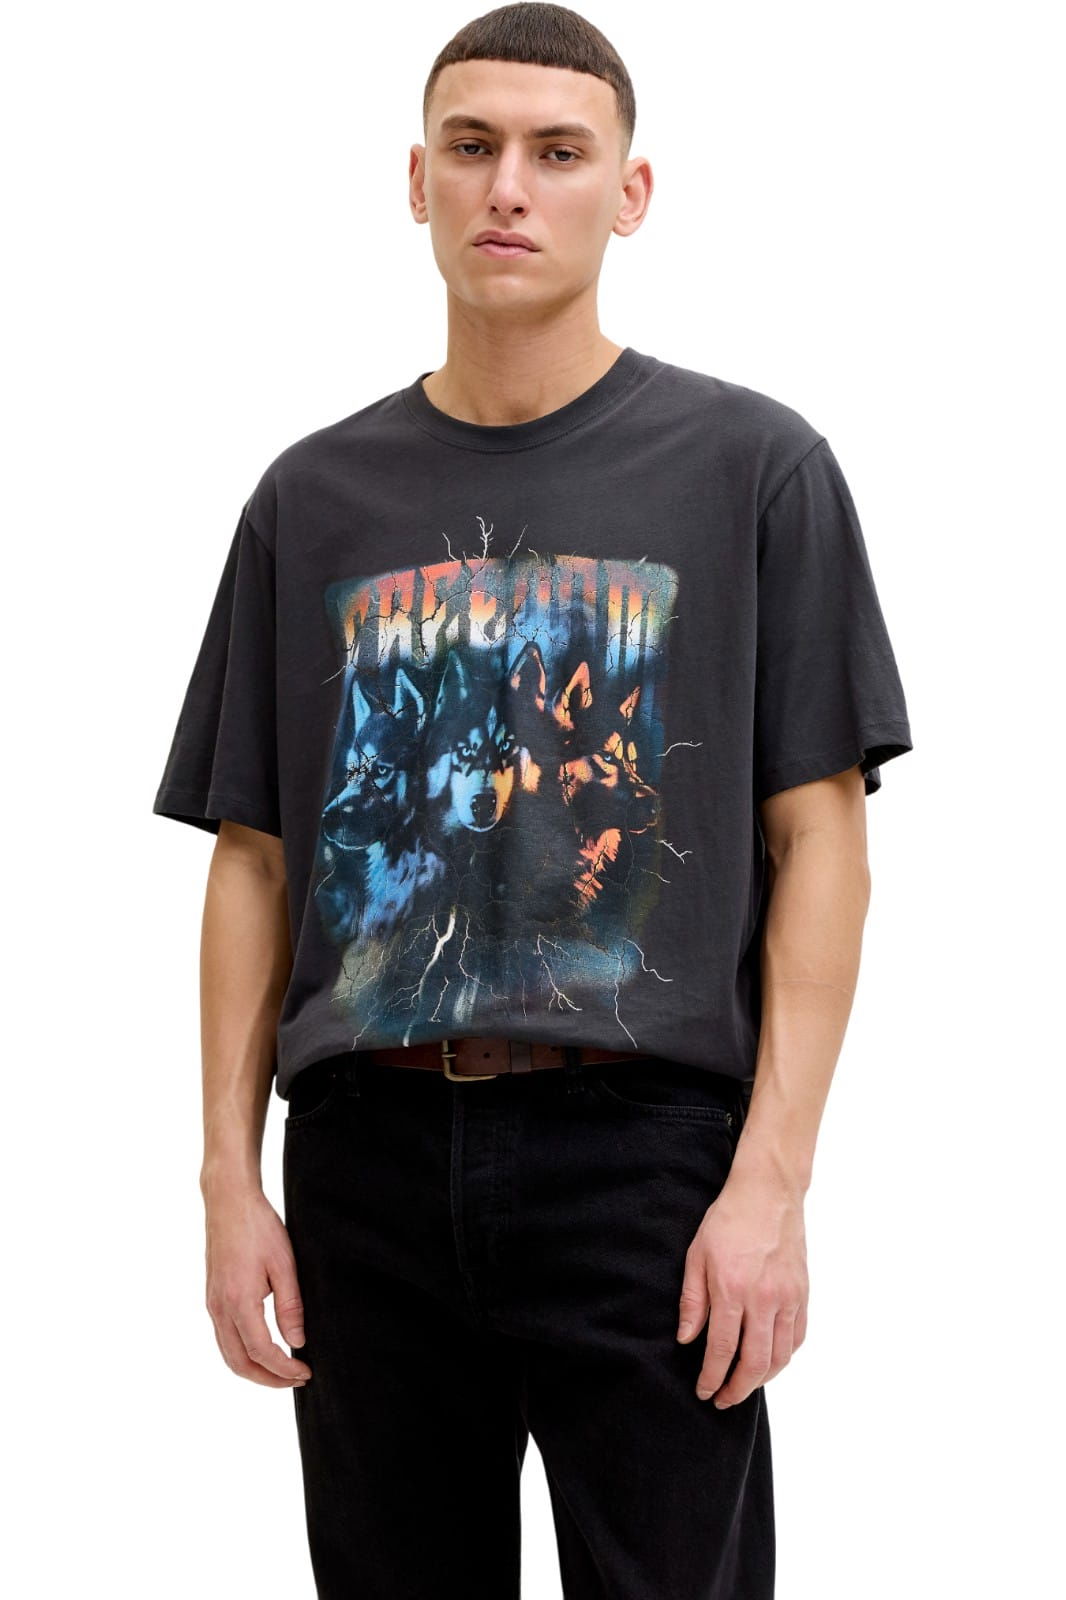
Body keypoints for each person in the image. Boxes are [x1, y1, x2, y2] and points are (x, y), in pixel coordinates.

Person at [152, 5, 914, 1595]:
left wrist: (771, 1183)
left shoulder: (752, 468)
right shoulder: (310, 497)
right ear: (414, 180)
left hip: (642, 1157)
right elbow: (253, 858)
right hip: (366, 1152)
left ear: (628, 194)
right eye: (472, 146)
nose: (508, 186)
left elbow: (819, 839)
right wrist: (229, 1183)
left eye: (557, 153)